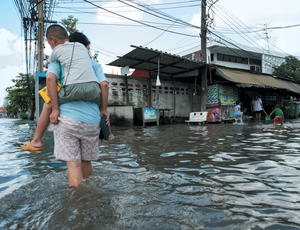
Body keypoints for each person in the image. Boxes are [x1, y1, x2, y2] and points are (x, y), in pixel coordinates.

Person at [21, 31, 112, 151]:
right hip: (92, 110)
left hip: (68, 100)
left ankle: (36, 140)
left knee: (47, 105)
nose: (87, 52)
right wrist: (104, 109)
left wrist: (55, 108)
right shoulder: (94, 64)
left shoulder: (60, 60)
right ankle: (108, 133)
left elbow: (50, 78)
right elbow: (104, 85)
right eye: (87, 49)